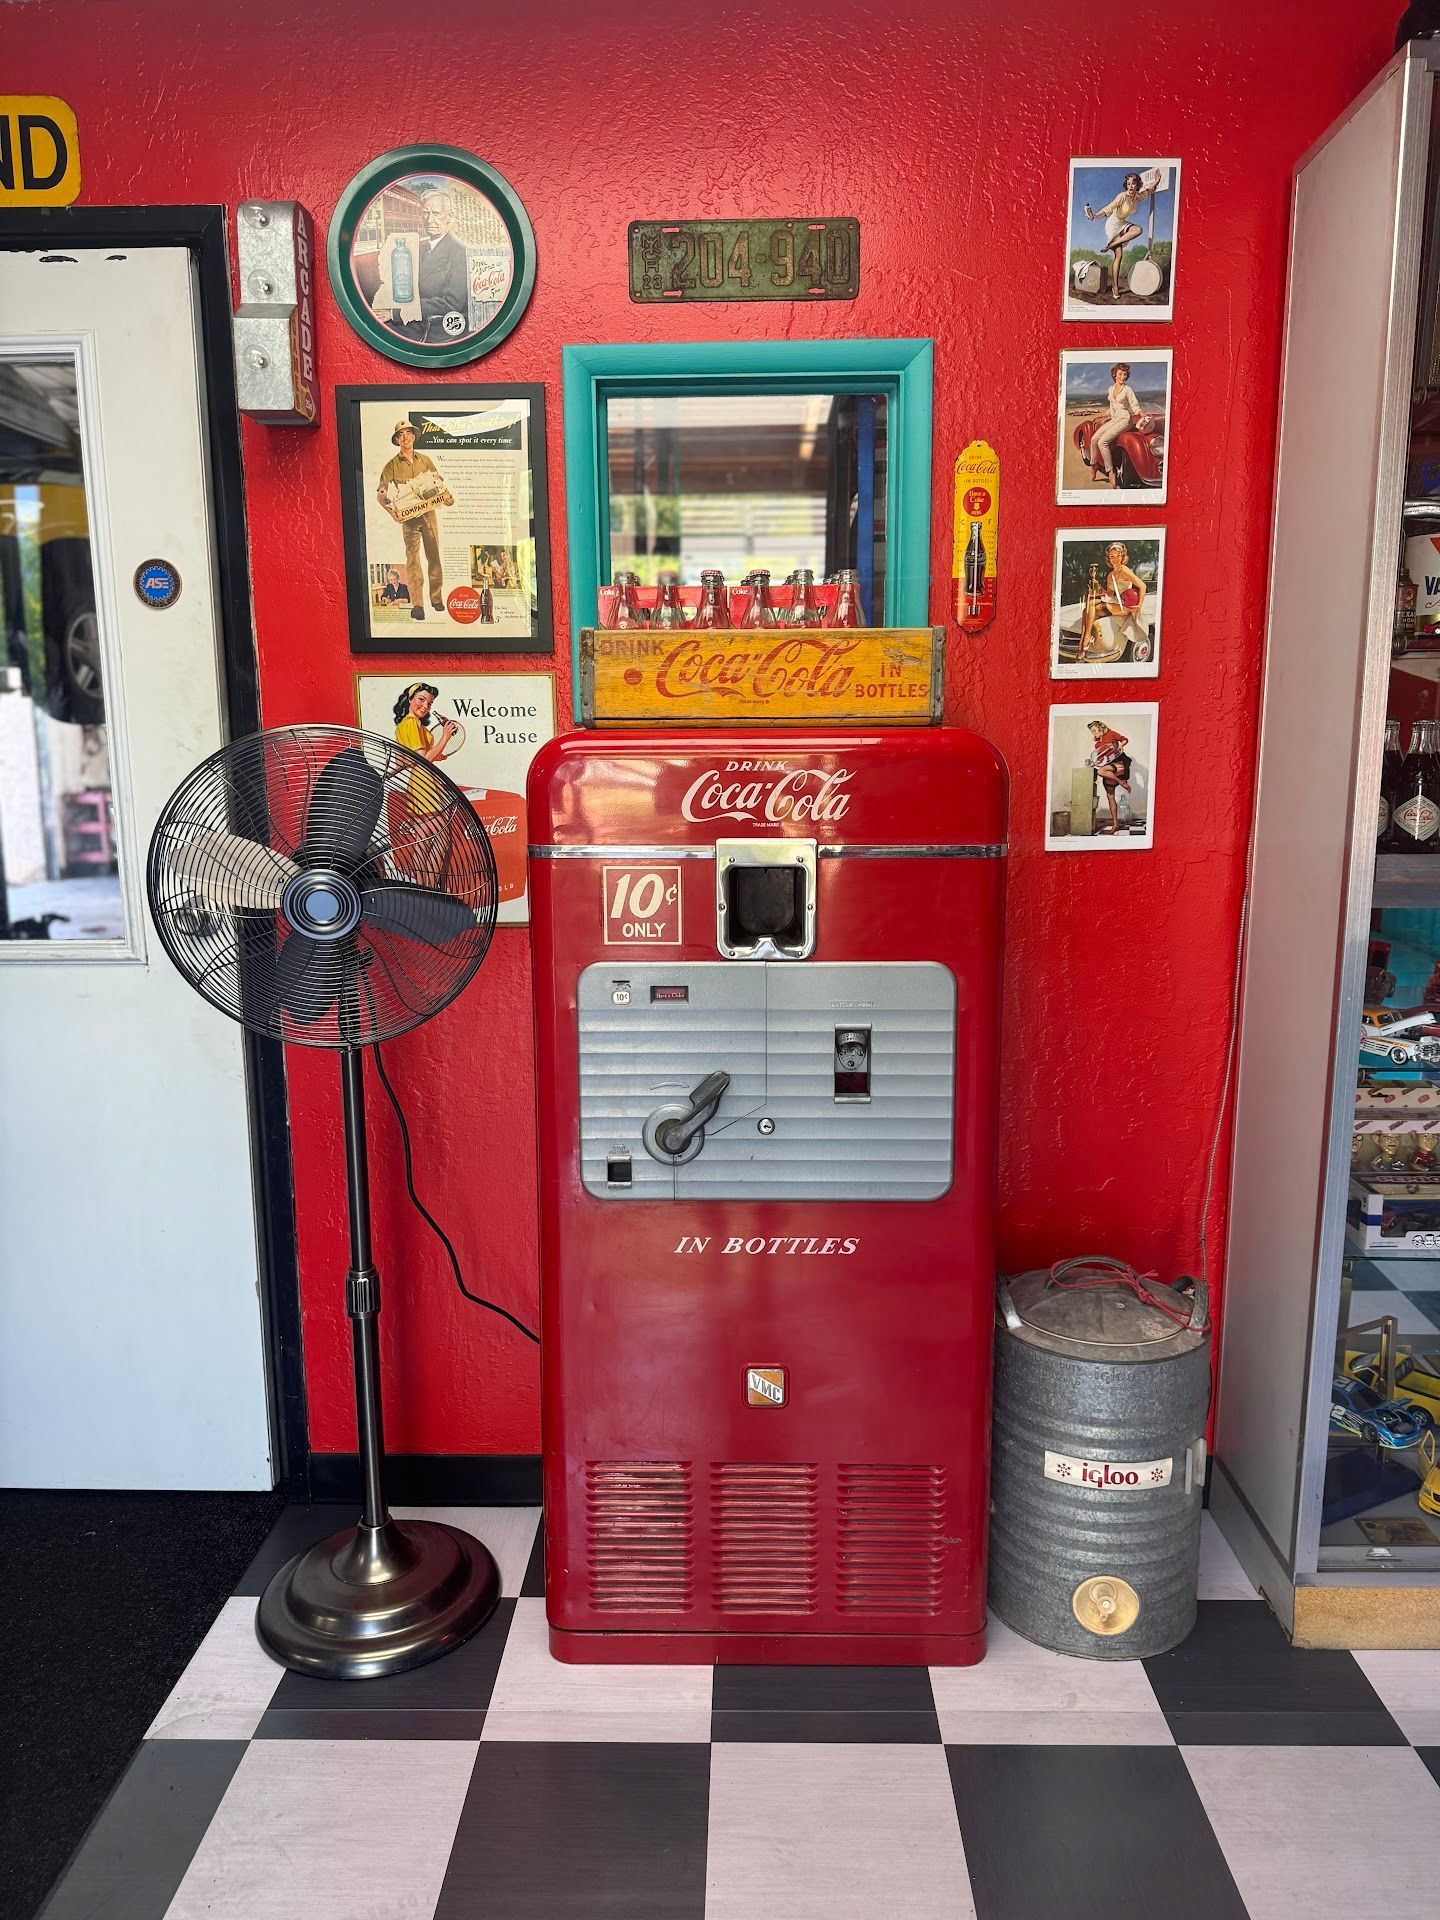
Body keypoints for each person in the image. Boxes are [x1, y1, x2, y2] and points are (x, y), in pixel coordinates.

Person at [376, 420, 450, 619]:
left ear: (414, 436)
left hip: (429, 516)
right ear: (397, 440)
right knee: (413, 559)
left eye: (408, 433)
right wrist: (392, 513)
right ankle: (418, 604)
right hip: (408, 520)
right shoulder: (391, 466)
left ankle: (436, 598)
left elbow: (438, 483)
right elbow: (381, 494)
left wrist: (445, 495)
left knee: (434, 556)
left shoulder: (425, 460)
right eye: (401, 435)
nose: (405, 437)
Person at [390, 682, 458, 884]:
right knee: (442, 839)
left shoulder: (406, 725)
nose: (425, 706)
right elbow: (423, 759)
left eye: (430, 703)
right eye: (421, 699)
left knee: (423, 841)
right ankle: (430, 889)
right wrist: (445, 738)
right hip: (424, 783)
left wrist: (438, 754)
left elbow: (404, 761)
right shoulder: (411, 723)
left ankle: (420, 890)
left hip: (417, 782)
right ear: (410, 699)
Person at [1082, 171, 1155, 300]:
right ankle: (1115, 287)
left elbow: (1148, 191)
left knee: (1138, 230)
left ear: (1137, 185)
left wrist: (1157, 180)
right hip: (1113, 224)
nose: (1130, 186)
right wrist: (1095, 216)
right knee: (1119, 255)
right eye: (1128, 183)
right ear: (1126, 185)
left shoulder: (1137, 197)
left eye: (1133, 183)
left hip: (1122, 223)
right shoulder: (1122, 196)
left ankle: (1112, 244)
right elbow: (1109, 208)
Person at [415, 190, 470, 341]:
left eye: (436, 213)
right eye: (425, 213)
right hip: (414, 321)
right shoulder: (420, 249)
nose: (429, 220)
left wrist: (399, 311)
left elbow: (452, 303)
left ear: (450, 217)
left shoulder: (459, 252)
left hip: (435, 329)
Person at [1087, 364, 1149, 490]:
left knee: (1102, 442)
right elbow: (1113, 407)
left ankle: (1110, 472)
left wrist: (1140, 412)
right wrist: (1104, 415)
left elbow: (1134, 405)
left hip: (1124, 420)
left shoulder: (1128, 389)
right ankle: (1093, 464)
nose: (1123, 377)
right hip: (1114, 419)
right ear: (1115, 374)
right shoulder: (1111, 389)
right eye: (1120, 374)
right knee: (1094, 439)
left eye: (1125, 374)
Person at [1100, 541, 1148, 658]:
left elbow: (1142, 586)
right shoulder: (1110, 575)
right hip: (1117, 603)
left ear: (1123, 556)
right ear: (1108, 558)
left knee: (1093, 605)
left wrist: (1139, 604)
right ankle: (1085, 641)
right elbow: (1110, 594)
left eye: (1118, 556)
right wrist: (1101, 591)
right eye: (1112, 556)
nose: (1115, 559)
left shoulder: (1124, 570)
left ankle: (1085, 642)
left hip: (1126, 606)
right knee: (1091, 606)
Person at [1086, 718, 1133, 834]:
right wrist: (1095, 763)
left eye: (1094, 730)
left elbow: (1125, 739)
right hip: (1109, 768)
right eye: (1092, 732)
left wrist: (1121, 745)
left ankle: (1122, 782)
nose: (1093, 733)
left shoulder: (1111, 734)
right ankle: (1115, 824)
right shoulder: (1097, 745)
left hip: (1119, 764)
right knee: (1110, 796)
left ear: (1101, 728)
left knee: (1101, 771)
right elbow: (1102, 760)